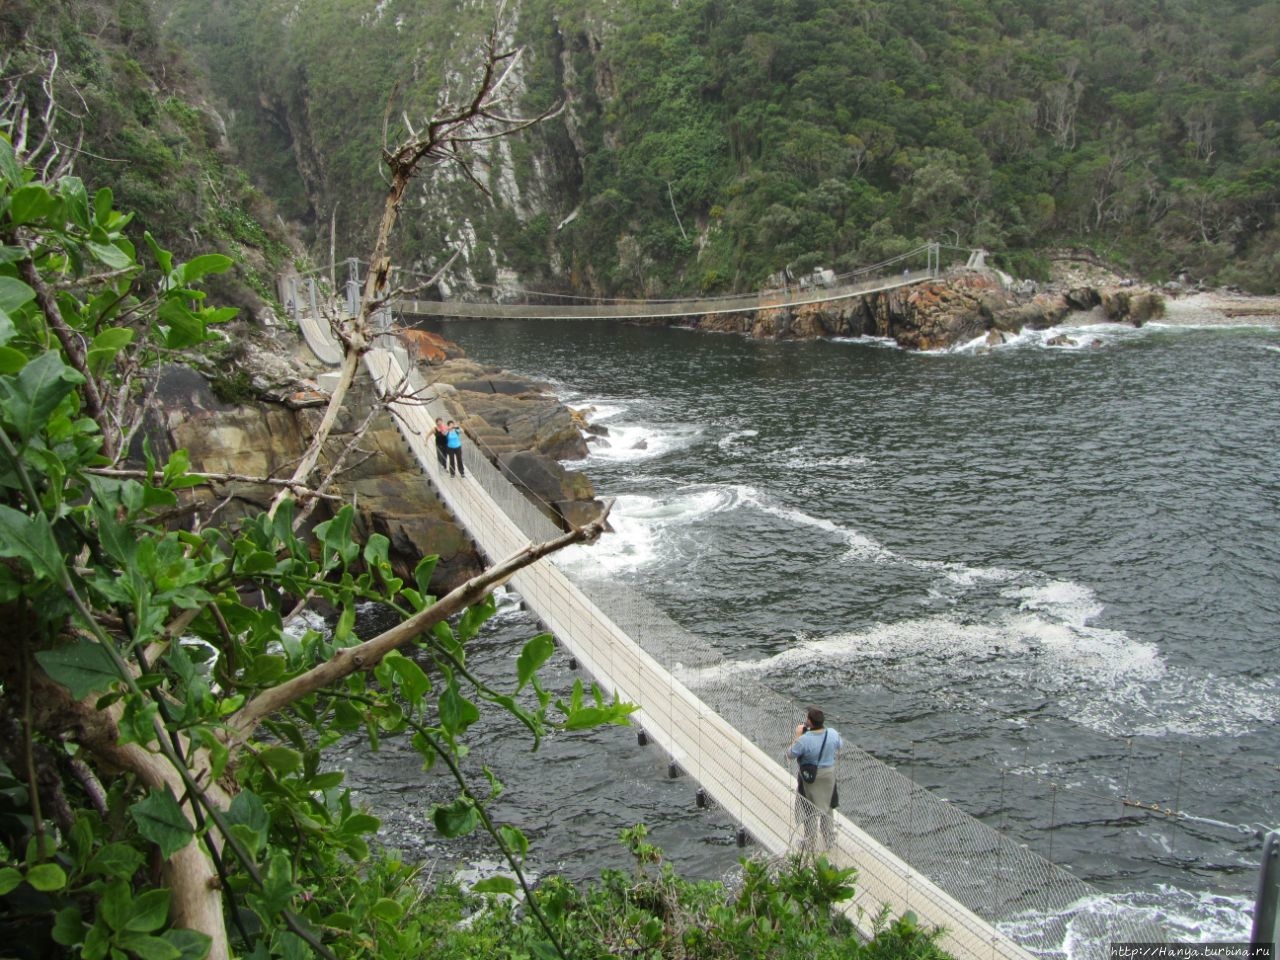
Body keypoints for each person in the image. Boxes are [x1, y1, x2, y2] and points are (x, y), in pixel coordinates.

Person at [789, 705, 842, 852]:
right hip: (829, 775)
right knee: (828, 807)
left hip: (810, 778)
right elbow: (839, 744)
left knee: (810, 808)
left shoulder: (805, 740)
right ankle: (829, 840)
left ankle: (809, 842)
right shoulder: (832, 733)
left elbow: (790, 754)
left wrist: (798, 735)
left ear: (810, 722)